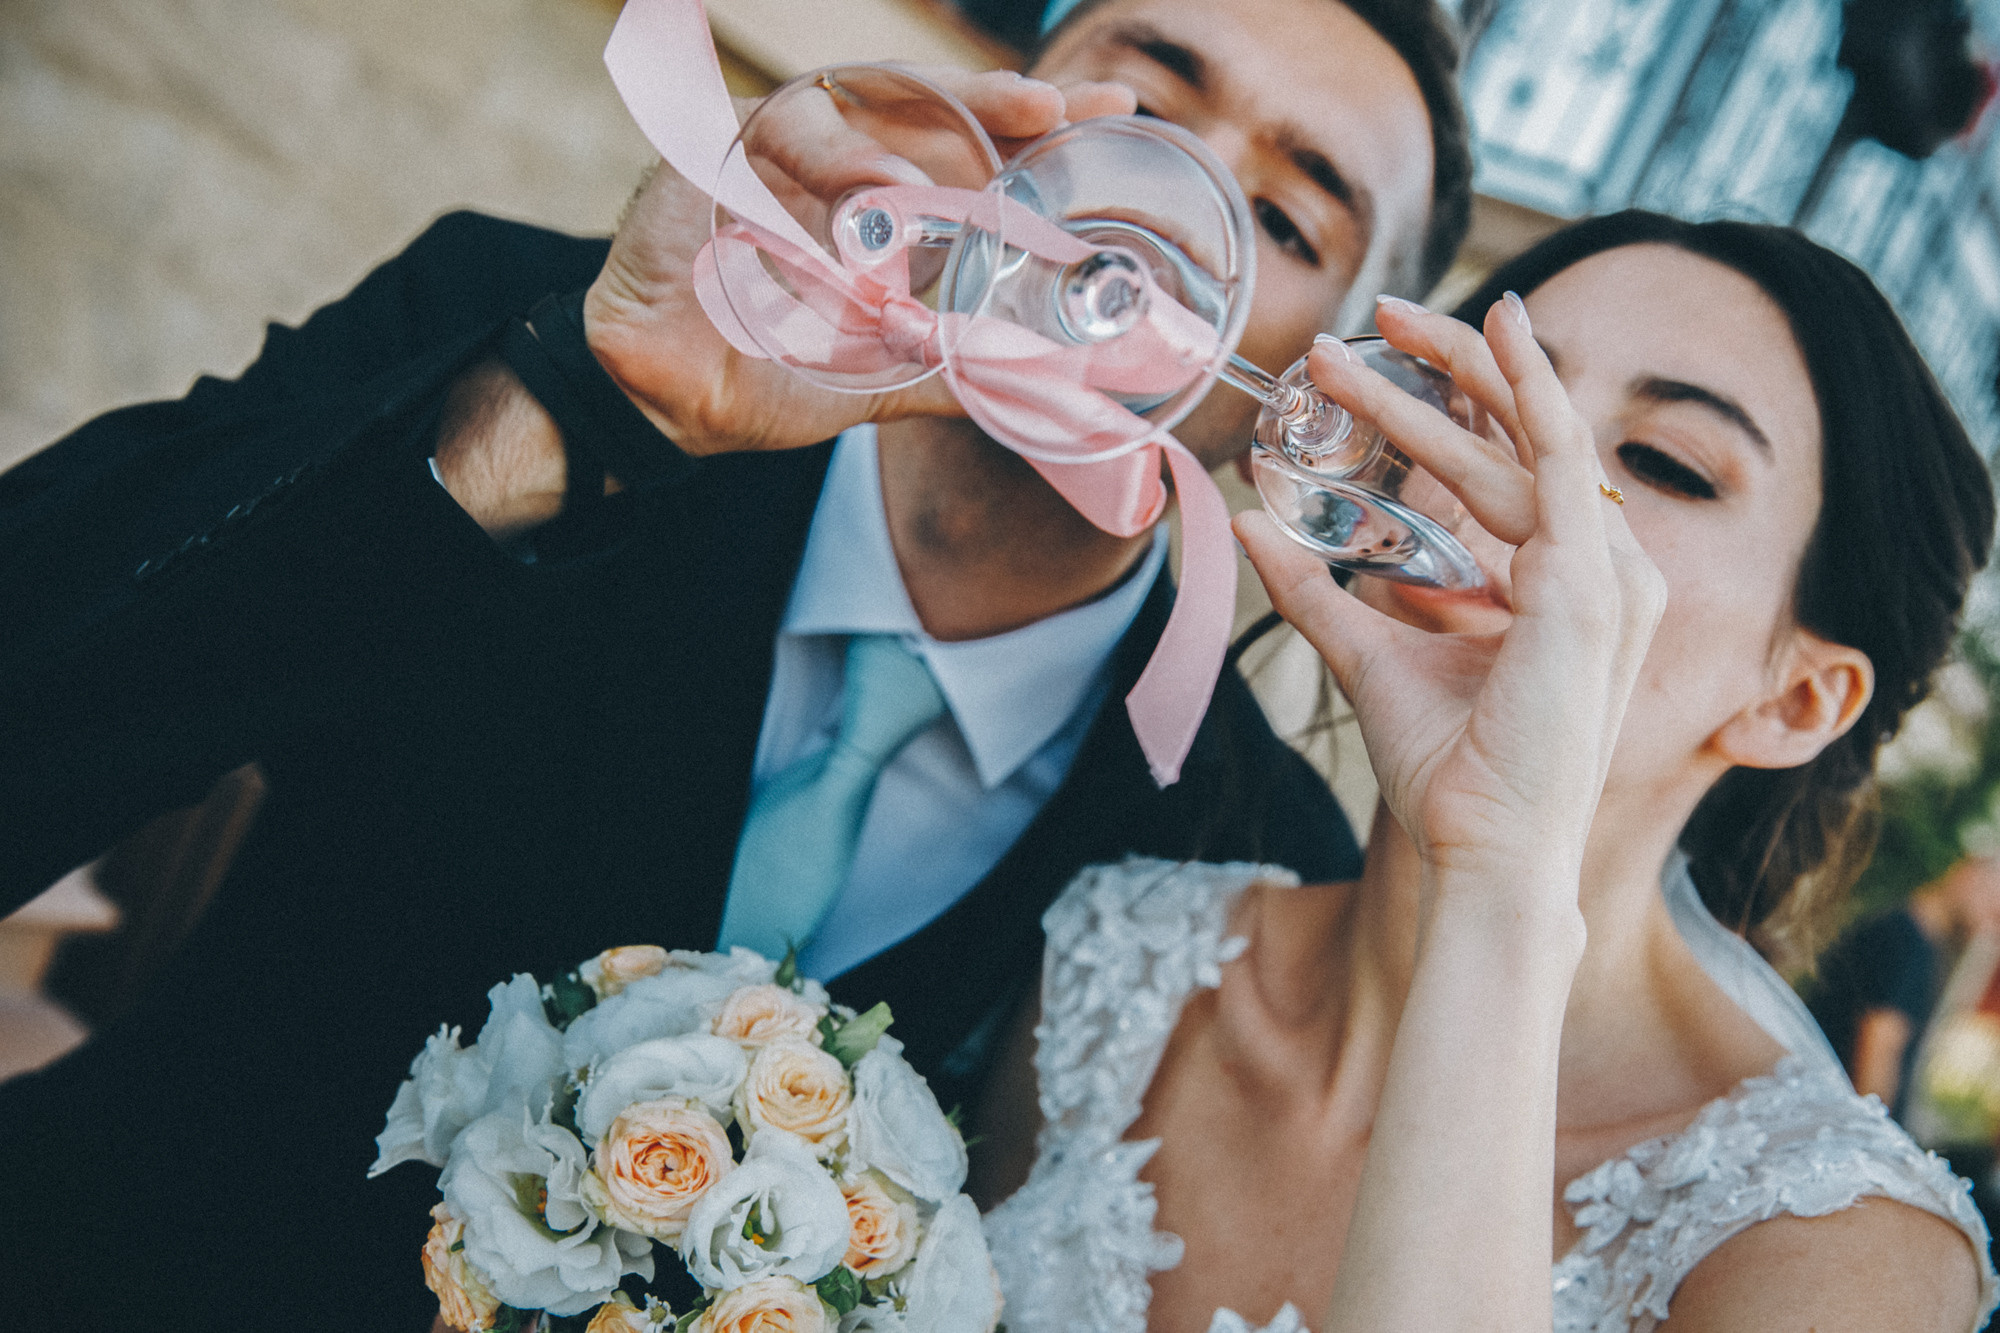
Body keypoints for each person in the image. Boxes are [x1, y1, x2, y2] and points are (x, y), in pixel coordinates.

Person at [0, 0, 1472, 1324]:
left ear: (1313, 382)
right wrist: (571, 416)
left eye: (1282, 220)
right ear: (1001, 134)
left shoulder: (1254, 874)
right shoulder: (537, 331)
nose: (1164, 230)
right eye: (1137, 114)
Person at [972, 211, 2000, 1332]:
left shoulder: (1838, 1250)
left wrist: (1500, 873)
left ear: (1793, 702)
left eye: (1662, 462)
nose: (1522, 467)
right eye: (1480, 399)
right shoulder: (1117, 965)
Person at [1811, 857, 2000, 1116]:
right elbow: (1880, 1052)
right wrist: (1873, 1129)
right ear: (1969, 876)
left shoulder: (1906, 934)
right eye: (1993, 912)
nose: (1988, 929)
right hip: (1837, 1113)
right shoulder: (1907, 943)